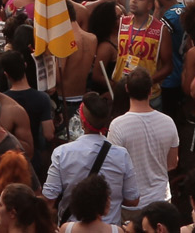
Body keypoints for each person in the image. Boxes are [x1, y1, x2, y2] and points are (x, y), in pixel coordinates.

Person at [43, 95, 139, 228]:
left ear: (82, 120)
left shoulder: (62, 153)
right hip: (109, 228)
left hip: (72, 229)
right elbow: (133, 200)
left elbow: (49, 199)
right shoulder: (121, 155)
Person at [104, 71, 175, 208]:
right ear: (150, 91)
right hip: (162, 201)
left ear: (126, 89)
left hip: (131, 205)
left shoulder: (117, 125)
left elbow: (112, 168)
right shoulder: (168, 122)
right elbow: (172, 163)